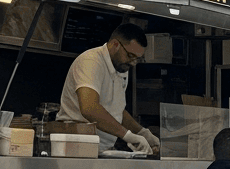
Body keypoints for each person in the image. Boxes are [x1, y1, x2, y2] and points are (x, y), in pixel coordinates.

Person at [57, 22, 160, 154]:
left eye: (138, 59)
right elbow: (90, 108)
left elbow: (116, 110)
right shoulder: (91, 62)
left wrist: (142, 132)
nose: (133, 63)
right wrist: (127, 135)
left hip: (102, 149)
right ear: (115, 44)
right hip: (77, 147)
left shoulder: (121, 68)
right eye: (130, 56)